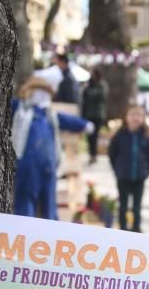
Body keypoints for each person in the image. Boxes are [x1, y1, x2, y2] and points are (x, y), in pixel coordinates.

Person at [11, 76, 91, 219]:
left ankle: (50, 231)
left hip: (48, 166)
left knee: (49, 202)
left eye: (45, 93)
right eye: (38, 92)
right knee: (25, 201)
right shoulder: (20, 109)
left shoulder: (50, 115)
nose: (42, 96)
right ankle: (24, 230)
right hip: (27, 164)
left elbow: (67, 120)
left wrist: (84, 124)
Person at [109, 105, 149, 233]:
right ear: (126, 117)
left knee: (137, 206)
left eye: (139, 115)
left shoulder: (147, 136)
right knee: (123, 205)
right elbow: (112, 154)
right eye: (132, 114)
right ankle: (122, 229)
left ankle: (136, 229)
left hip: (139, 178)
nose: (135, 118)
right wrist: (118, 170)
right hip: (123, 176)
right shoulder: (120, 135)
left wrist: (145, 172)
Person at [80, 69, 108, 164]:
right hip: (88, 114)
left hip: (97, 115)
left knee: (94, 136)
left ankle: (94, 154)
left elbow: (99, 95)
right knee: (89, 136)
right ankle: (91, 154)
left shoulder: (101, 85)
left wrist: (87, 89)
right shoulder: (89, 84)